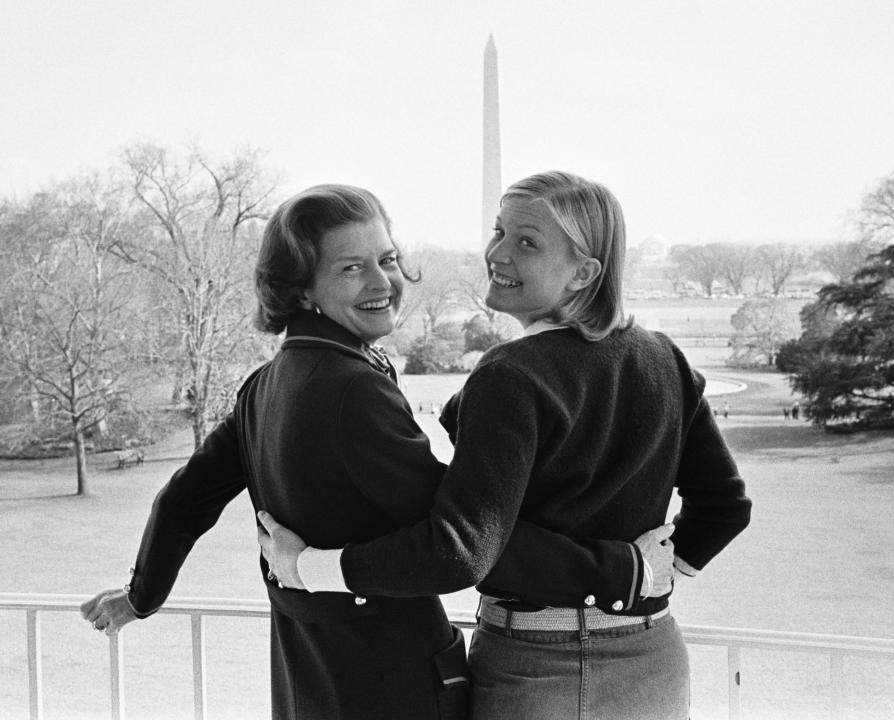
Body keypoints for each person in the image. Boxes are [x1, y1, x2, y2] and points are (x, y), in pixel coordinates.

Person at [80, 184, 648, 720]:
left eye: (388, 258)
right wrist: (622, 572)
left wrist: (140, 595)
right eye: (352, 267)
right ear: (301, 287)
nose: (384, 281)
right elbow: (461, 542)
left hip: (309, 685)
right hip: (390, 687)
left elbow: (183, 500)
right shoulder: (350, 390)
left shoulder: (267, 383)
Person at [260, 171, 752, 720]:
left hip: (537, 665)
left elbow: (460, 549)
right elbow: (726, 508)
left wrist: (310, 568)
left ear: (583, 272)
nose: (497, 252)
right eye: (499, 231)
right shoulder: (665, 358)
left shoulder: (510, 376)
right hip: (653, 656)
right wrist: (650, 581)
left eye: (527, 242)